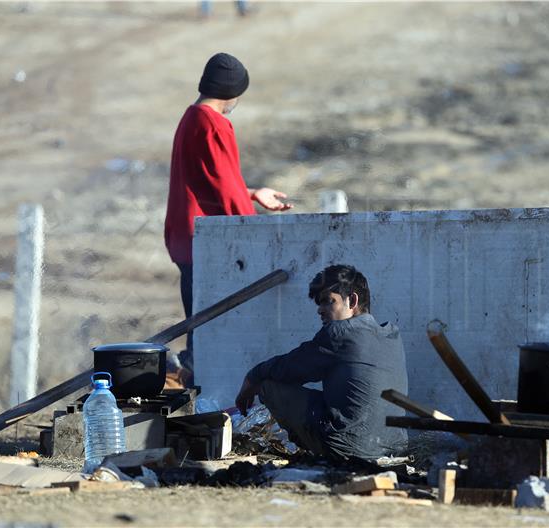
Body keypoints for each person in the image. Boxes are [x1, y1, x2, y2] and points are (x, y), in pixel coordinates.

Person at [164, 52, 291, 367]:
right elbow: (223, 186)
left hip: (186, 235)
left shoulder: (191, 117)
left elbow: (208, 181)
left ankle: (192, 372)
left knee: (198, 321)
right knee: (211, 329)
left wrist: (251, 193)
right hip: (206, 240)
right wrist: (255, 234)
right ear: (232, 93)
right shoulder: (214, 124)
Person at [234, 265, 409, 461]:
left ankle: (319, 452)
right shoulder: (392, 335)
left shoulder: (340, 334)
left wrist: (252, 378)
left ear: (352, 300)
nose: (320, 310)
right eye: (319, 303)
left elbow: (288, 368)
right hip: (394, 449)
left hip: (348, 450)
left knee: (268, 385)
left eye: (328, 302)